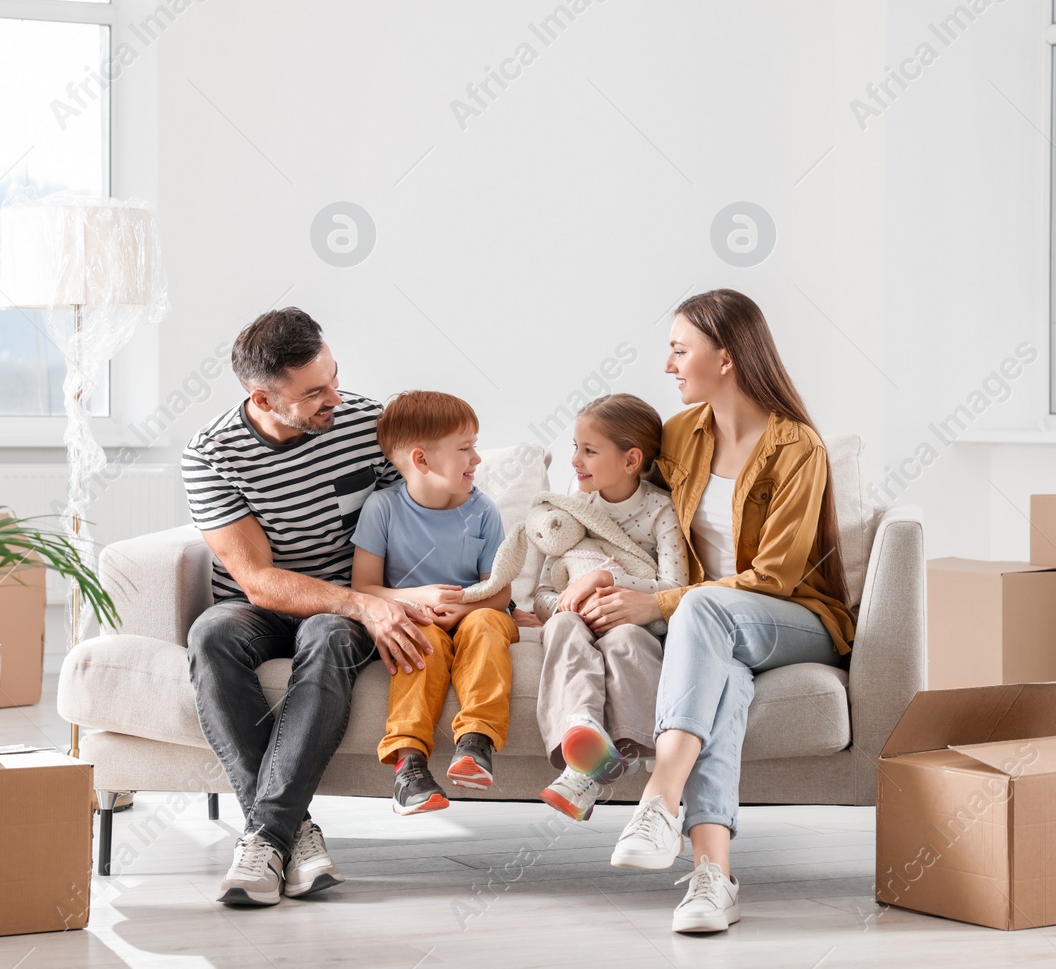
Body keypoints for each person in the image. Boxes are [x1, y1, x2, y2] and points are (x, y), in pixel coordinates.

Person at [579, 289, 855, 935]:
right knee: (721, 688)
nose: (670, 364)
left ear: (725, 356)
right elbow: (616, 496)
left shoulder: (797, 447)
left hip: (795, 619)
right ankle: (712, 877)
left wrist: (660, 601)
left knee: (702, 607)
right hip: (713, 631)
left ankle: (659, 797)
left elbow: (780, 575)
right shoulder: (681, 434)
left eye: (680, 349)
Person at [182, 308, 437, 908]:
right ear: (263, 398)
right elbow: (258, 581)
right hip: (264, 607)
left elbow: (424, 516)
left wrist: (385, 601)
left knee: (325, 631)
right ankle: (293, 836)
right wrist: (360, 604)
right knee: (211, 634)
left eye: (334, 378)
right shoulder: (212, 454)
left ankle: (265, 838)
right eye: (315, 392)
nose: (335, 398)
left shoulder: (367, 424)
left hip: (341, 612)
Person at [350, 390, 519, 815]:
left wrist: (465, 610)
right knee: (417, 640)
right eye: (466, 448)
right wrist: (415, 598)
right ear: (422, 460)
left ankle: (476, 744)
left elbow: (499, 591)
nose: (477, 458)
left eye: (475, 445)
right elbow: (364, 587)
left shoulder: (484, 512)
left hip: (476, 612)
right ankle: (409, 766)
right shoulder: (382, 508)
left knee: (485, 626)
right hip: (416, 616)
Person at [531, 394, 688, 821]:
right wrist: (567, 607)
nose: (575, 461)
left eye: (589, 450)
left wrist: (605, 579)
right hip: (578, 623)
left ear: (631, 459)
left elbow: (675, 587)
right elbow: (544, 594)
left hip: (633, 622)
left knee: (623, 640)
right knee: (562, 629)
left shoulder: (660, 512)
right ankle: (581, 737)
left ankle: (625, 767)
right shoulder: (574, 508)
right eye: (575, 448)